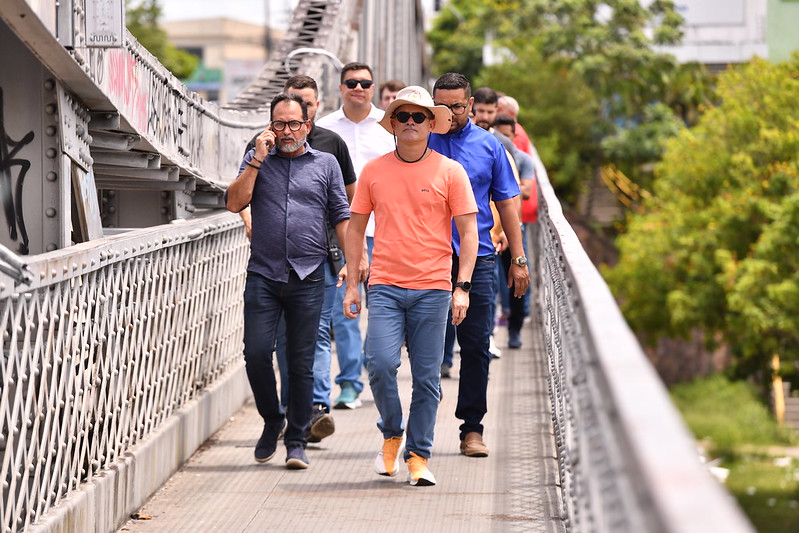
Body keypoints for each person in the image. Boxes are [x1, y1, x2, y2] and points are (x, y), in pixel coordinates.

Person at [341, 86, 478, 486]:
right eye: (403, 116)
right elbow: (355, 228)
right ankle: (391, 434)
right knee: (380, 365)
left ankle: (419, 454)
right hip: (384, 284)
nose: (412, 123)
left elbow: (468, 232)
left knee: (427, 378)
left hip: (434, 287)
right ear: (394, 124)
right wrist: (352, 283)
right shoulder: (373, 171)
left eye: (420, 117)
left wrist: (462, 285)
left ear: (431, 123)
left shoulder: (450, 172)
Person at [226, 93, 350, 469]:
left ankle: (296, 440)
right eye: (279, 123)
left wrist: (351, 263)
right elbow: (234, 203)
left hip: (309, 275)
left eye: (294, 123)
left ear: (307, 125)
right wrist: (258, 159)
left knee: (300, 364)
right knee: (257, 354)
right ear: (270, 126)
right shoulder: (257, 159)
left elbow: (341, 214)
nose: (286, 131)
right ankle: (271, 419)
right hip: (264, 273)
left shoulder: (326, 163)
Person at [429, 73, 530, 458]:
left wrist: (518, 259)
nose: (450, 113)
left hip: (481, 259)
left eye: (457, 106)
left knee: (475, 346)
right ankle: (418, 426)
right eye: (442, 106)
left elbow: (508, 204)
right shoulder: (419, 140)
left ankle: (472, 428)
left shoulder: (491, 147)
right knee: (425, 347)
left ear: (470, 105)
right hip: (427, 258)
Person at [316, 62, 394, 409]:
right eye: (352, 82)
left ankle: (369, 369)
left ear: (373, 88)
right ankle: (349, 382)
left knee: (380, 308)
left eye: (365, 83)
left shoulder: (390, 126)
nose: (358, 88)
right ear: (340, 87)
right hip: (342, 232)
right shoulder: (323, 128)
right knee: (344, 307)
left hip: (386, 231)